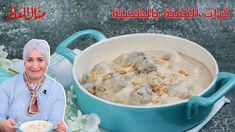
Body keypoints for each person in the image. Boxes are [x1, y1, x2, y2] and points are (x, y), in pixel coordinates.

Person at [0, 39, 67, 132]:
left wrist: (60, 129)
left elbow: (55, 123)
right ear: (24, 62)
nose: (35, 66)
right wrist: (2, 125)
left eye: (40, 60)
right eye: (30, 60)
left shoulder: (57, 90)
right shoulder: (7, 86)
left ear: (47, 62)